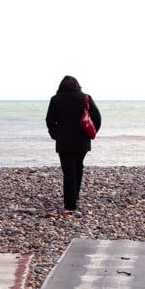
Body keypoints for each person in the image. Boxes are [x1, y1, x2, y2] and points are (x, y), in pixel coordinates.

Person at [45, 76, 101, 212]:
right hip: (82, 140)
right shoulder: (85, 98)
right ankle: (75, 196)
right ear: (77, 85)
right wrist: (92, 133)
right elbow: (97, 118)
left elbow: (49, 120)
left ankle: (70, 205)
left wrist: (55, 135)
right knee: (78, 167)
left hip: (64, 141)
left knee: (68, 171)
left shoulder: (55, 99)